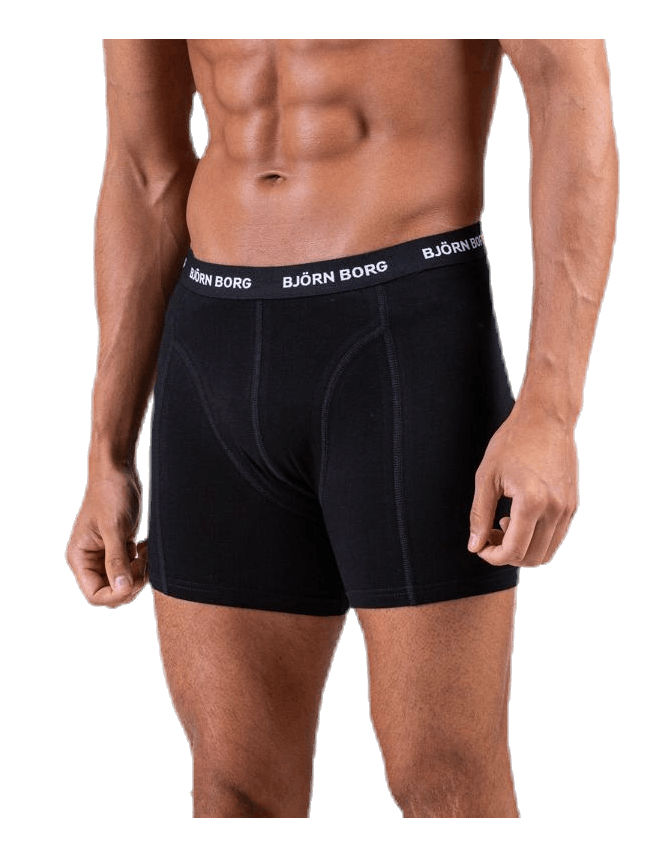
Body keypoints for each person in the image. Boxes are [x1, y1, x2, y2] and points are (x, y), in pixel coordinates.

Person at [65, 39, 618, 818]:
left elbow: (569, 92)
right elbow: (141, 168)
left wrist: (551, 408)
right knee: (233, 787)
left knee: (443, 778)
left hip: (402, 334)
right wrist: (107, 450)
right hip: (214, 346)